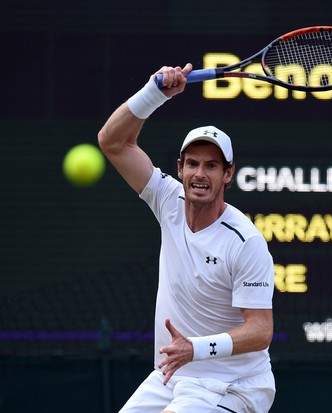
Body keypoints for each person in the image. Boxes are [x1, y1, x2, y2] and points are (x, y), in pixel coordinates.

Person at [97, 63, 276, 413]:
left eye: (211, 166)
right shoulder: (168, 199)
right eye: (192, 163)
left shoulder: (245, 241)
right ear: (180, 169)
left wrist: (196, 347)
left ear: (228, 174)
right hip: (174, 376)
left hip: (233, 386)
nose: (200, 173)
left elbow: (261, 331)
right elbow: (113, 142)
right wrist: (155, 92)